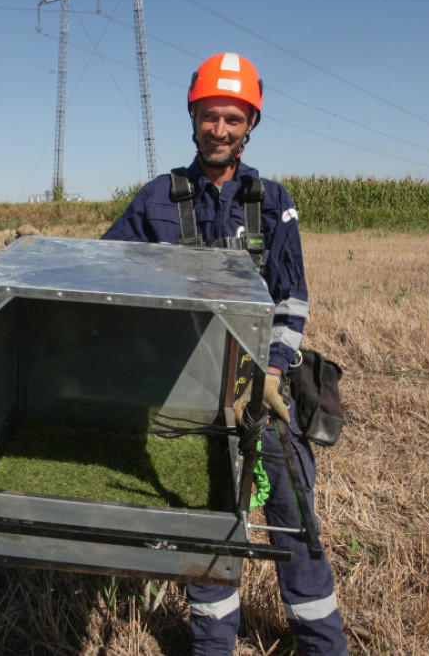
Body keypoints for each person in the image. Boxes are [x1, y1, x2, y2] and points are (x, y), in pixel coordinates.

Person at [102, 52, 347, 656]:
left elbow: (292, 297)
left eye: (233, 119)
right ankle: (213, 645)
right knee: (206, 517)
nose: (220, 130)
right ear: (193, 116)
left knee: (294, 515)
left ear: (250, 125)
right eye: (210, 116)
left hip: (263, 386)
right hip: (186, 393)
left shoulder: (273, 200)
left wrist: (270, 372)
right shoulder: (156, 200)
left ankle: (322, 642)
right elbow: (106, 274)